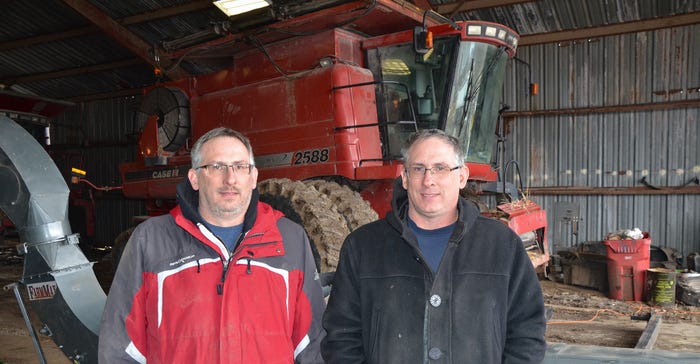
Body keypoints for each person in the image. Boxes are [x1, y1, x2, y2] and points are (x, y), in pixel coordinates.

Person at [99, 127, 325, 363]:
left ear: (254, 177)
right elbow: (120, 345)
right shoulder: (150, 240)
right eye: (216, 167)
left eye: (240, 166)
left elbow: (312, 343)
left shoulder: (290, 239)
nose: (230, 179)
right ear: (194, 178)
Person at [322, 129, 546, 363]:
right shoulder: (362, 247)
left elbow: (527, 331)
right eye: (418, 169)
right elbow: (342, 338)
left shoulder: (502, 245)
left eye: (440, 168)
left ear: (462, 176)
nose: (429, 180)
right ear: (405, 178)